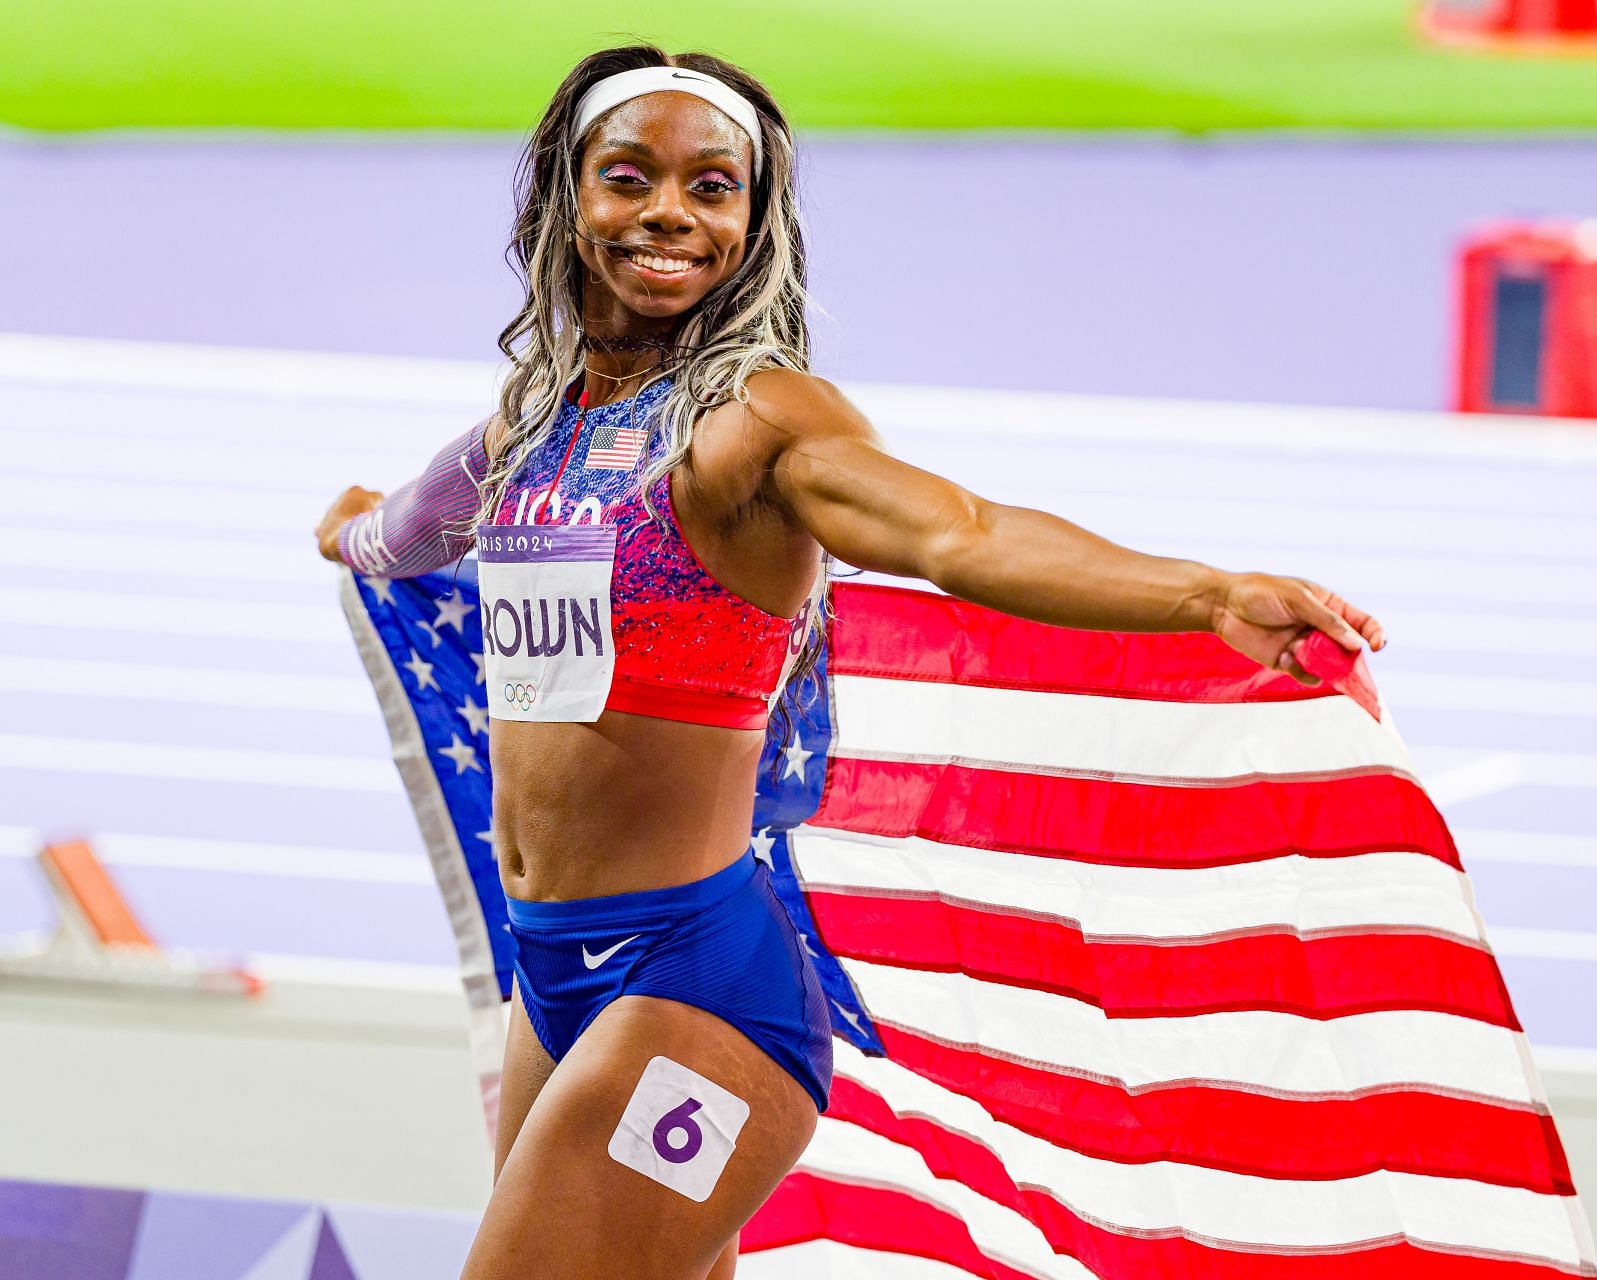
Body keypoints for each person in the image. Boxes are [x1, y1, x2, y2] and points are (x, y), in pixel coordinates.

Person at [314, 43, 1385, 1280]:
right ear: (564, 193)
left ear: (755, 222)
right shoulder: (534, 420)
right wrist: (347, 528)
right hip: (552, 976)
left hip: (697, 991)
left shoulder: (755, 427)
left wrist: (1204, 591)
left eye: (714, 187)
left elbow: (959, 532)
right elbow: (409, 525)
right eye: (629, 177)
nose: (670, 212)